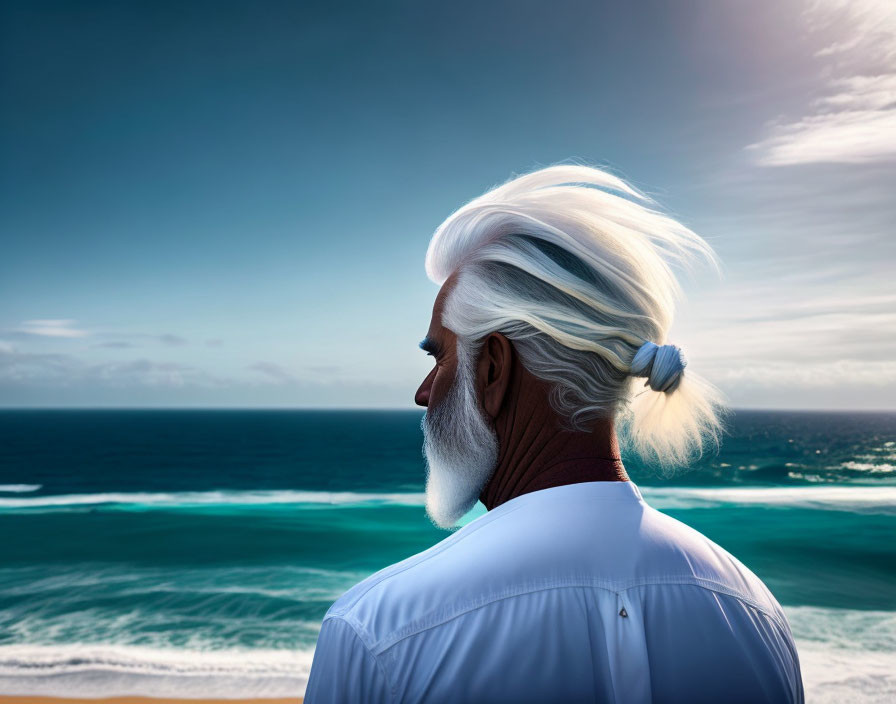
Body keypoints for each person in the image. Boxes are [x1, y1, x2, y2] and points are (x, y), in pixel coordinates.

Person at [304, 165, 804, 703]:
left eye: (440, 356)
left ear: (493, 368)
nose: (424, 393)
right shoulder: (754, 614)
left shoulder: (380, 631)